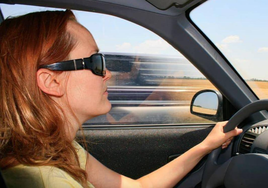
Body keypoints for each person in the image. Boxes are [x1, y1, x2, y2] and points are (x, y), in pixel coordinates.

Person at [0, 10, 242, 188]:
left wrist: (204, 147)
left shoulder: (58, 149)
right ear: (51, 82)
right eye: (95, 62)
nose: (108, 73)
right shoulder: (45, 180)